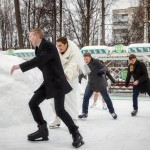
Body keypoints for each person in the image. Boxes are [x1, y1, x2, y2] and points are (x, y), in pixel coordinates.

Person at [11, 28, 84, 148]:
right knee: (33, 103)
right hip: (49, 83)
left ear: (37, 35)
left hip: (58, 82)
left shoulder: (48, 46)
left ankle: (76, 134)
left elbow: (40, 60)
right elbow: (42, 65)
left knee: (59, 110)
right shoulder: (39, 49)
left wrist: (20, 66)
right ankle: (42, 130)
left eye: (30, 36)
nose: (29, 39)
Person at [49, 37, 89, 128]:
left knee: (70, 99)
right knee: (53, 99)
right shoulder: (57, 50)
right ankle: (58, 118)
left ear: (66, 44)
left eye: (60, 45)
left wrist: (66, 76)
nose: (58, 47)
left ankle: (74, 120)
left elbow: (72, 65)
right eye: (57, 45)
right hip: (59, 76)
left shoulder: (74, 51)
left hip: (71, 77)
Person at [78, 52, 117, 119]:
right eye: (84, 59)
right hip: (91, 84)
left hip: (100, 83)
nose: (85, 60)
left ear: (90, 58)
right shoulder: (85, 64)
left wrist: (102, 71)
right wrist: (80, 77)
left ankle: (112, 112)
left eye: (86, 59)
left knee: (106, 98)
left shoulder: (96, 62)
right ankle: (84, 112)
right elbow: (84, 72)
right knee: (86, 96)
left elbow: (104, 67)